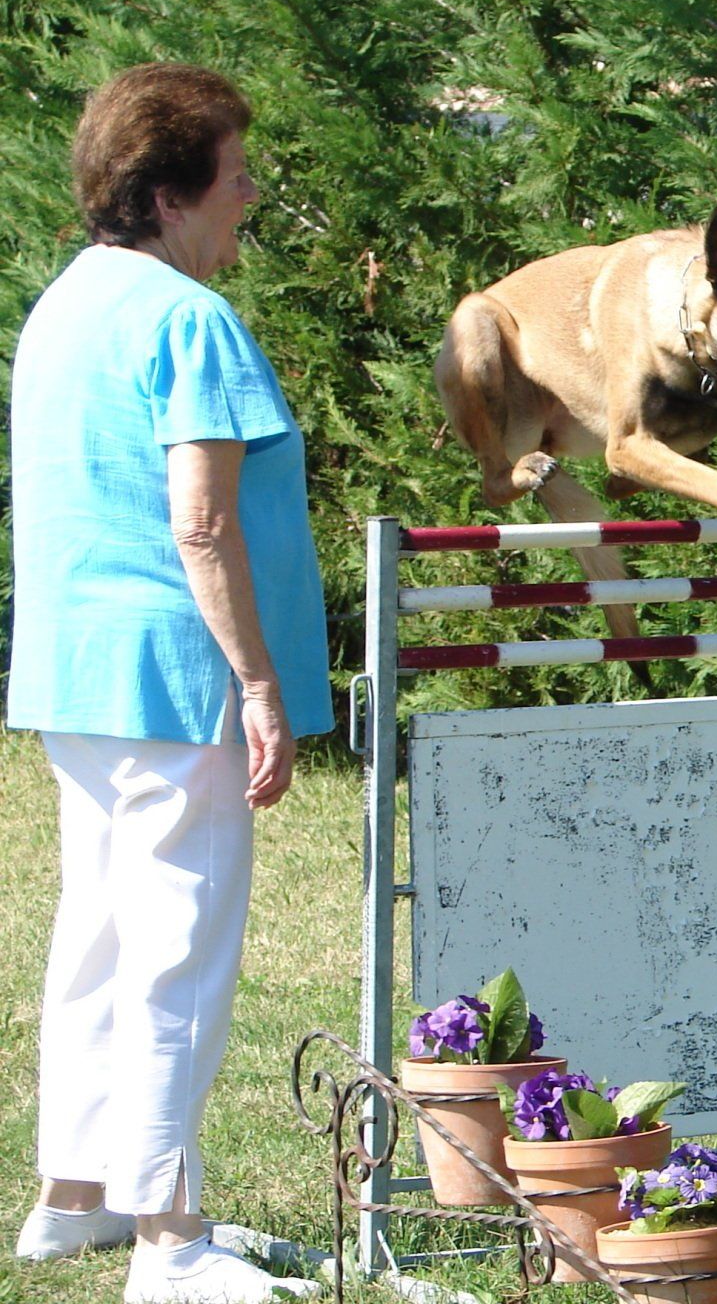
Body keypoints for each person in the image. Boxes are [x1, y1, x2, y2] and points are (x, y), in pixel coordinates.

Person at [7, 63, 331, 1303]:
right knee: (176, 949)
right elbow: (202, 524)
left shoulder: (66, 305)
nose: (249, 192)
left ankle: (75, 1201)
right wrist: (257, 685)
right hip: (175, 683)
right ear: (169, 192)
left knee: (97, 933)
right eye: (235, 170)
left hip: (76, 678)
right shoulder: (187, 318)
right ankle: (169, 1243)